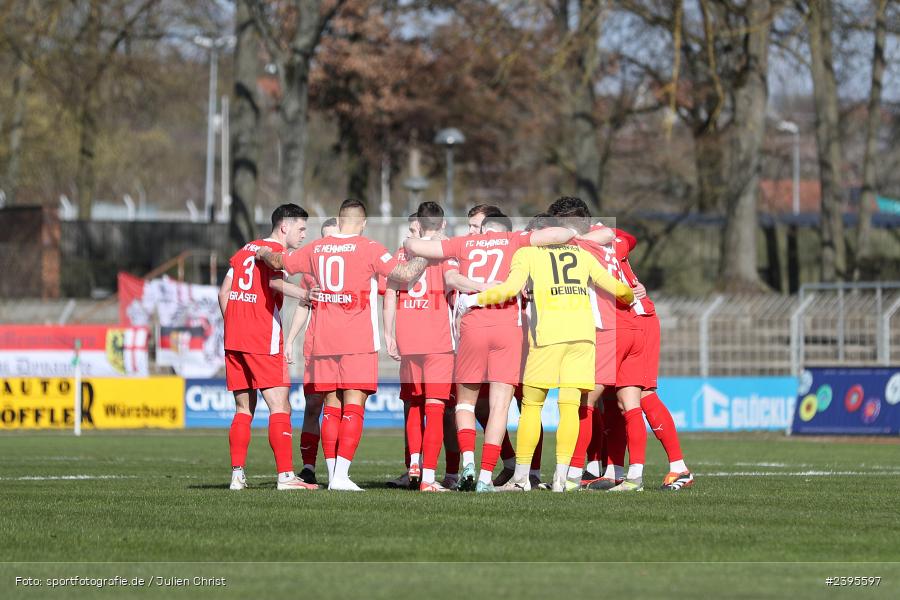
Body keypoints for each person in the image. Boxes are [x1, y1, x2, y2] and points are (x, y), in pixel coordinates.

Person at [404, 209, 583, 492]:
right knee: (500, 407)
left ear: (484, 229)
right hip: (507, 328)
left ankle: (468, 462)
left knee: (465, 404)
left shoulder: (463, 243)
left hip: (473, 325)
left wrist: (430, 237)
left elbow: (413, 246)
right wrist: (575, 232)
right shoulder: (515, 240)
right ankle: (486, 477)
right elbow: (559, 234)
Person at [256, 199, 428, 491]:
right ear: (363, 223)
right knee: (354, 405)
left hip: (323, 340)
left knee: (331, 407)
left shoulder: (316, 247)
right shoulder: (369, 247)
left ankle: (332, 472)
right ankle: (340, 476)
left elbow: (279, 261)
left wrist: (262, 251)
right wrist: (429, 250)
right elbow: (405, 273)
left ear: (338, 221)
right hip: (357, 340)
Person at [458, 207, 633, 492]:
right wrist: (631, 294)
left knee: (532, 406)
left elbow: (508, 289)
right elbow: (618, 288)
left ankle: (521, 478)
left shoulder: (527, 254)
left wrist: (473, 300)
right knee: (569, 407)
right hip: (582, 338)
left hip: (547, 337)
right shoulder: (583, 255)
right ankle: (562, 479)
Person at [218, 203, 318, 491]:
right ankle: (286, 476)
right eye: (301, 229)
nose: (304, 235)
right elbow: (275, 283)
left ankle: (237, 476)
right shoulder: (275, 252)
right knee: (280, 405)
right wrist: (304, 293)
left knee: (243, 409)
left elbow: (223, 293)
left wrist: (235, 325)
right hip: (262, 337)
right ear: (284, 226)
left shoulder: (244, 249)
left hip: (234, 338)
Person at [383, 202, 460, 492]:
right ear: (442, 224)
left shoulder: (401, 253)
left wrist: (389, 334)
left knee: (414, 404)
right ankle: (428, 477)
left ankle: (414, 463)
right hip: (438, 340)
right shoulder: (446, 251)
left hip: (408, 338)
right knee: (436, 408)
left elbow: (390, 293)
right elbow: (454, 286)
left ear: (419, 224)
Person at [283, 217, 340, 485]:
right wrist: (290, 340)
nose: (328, 243)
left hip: (345, 349)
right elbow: (304, 306)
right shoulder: (312, 271)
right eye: (324, 237)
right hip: (316, 348)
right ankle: (308, 466)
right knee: (313, 406)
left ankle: (338, 468)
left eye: (333, 237)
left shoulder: (351, 269)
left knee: (337, 407)